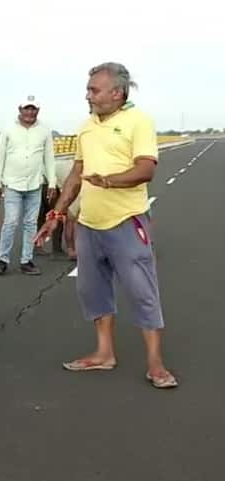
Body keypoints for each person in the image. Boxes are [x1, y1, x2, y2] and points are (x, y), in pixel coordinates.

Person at [35, 62, 178, 389]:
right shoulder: (86, 126)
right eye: (88, 89)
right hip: (89, 224)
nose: (88, 96)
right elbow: (75, 174)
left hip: (127, 221)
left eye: (94, 90)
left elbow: (146, 170)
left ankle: (155, 364)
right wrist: (56, 215)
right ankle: (104, 353)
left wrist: (110, 182)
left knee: (143, 291)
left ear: (117, 92)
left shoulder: (138, 122)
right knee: (92, 290)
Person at [0, 95, 57, 276]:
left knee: (30, 224)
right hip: (13, 183)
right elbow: (0, 157)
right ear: (20, 109)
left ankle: (26, 260)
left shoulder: (44, 131)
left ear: (38, 110)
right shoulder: (9, 130)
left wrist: (52, 181)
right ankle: (3, 259)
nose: (30, 112)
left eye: (33, 109)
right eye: (27, 108)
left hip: (34, 184)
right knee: (10, 222)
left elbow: (49, 158)